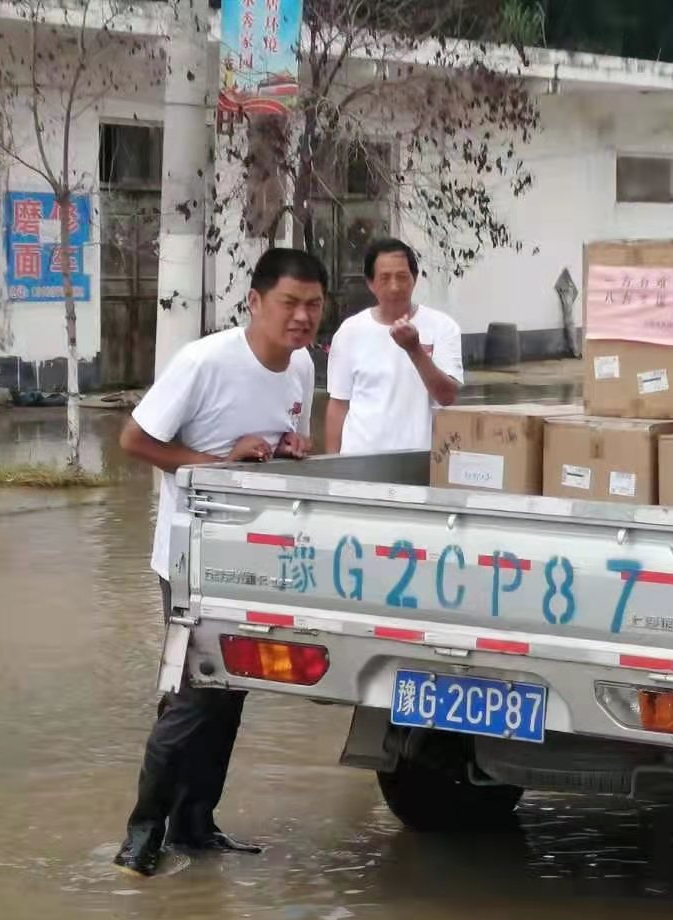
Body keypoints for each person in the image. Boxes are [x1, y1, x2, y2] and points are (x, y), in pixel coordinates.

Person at [112, 248, 327, 877]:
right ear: (255, 303)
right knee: (195, 695)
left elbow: (278, 445)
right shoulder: (205, 360)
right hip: (190, 554)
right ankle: (141, 838)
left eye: (313, 305)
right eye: (290, 303)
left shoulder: (302, 367)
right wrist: (217, 464)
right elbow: (133, 440)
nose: (302, 317)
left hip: (256, 556)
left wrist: (291, 450)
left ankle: (197, 825)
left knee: (231, 691)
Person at [325, 238, 462, 456]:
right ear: (370, 283)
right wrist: (332, 463)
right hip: (360, 459)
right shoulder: (350, 331)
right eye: (385, 278)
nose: (394, 287)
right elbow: (339, 404)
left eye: (402, 277)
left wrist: (414, 349)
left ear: (415, 279)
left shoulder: (442, 327)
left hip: (419, 458)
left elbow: (447, 396)